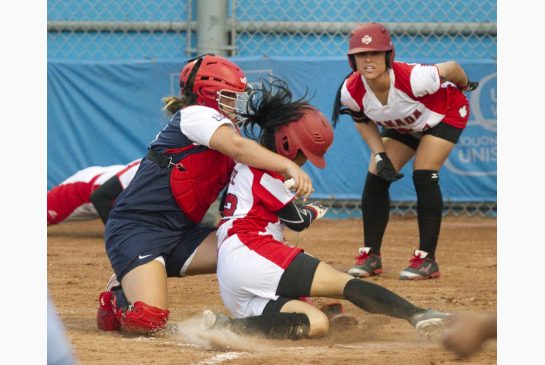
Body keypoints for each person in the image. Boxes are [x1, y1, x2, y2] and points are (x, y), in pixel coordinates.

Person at [202, 79, 449, 340]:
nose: (306, 161)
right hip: (251, 251)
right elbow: (296, 222)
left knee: (315, 323)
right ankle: (418, 314)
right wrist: (313, 210)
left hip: (236, 269)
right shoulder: (266, 173)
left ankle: (227, 327)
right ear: (286, 144)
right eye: (304, 154)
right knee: (343, 283)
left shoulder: (251, 164)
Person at [96, 54, 314, 334]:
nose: (236, 103)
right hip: (137, 230)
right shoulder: (195, 115)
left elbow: (246, 170)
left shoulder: (225, 129)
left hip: (182, 233)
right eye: (230, 96)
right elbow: (237, 147)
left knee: (252, 248)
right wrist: (286, 165)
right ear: (209, 94)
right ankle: (117, 296)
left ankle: (293, 302)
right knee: (148, 320)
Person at [331, 22, 479, 280]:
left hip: (444, 114)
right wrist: (380, 154)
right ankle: (371, 256)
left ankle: (427, 259)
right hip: (405, 124)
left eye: (375, 53)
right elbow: (362, 120)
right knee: (376, 173)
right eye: (360, 54)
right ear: (352, 59)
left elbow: (453, 68)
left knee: (423, 172)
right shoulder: (351, 90)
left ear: (388, 55)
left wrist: (465, 85)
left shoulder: (413, 77)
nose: (368, 59)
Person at [47, 159, 141, 225]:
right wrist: (117, 231)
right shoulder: (146, 167)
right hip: (84, 188)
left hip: (108, 180)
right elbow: (99, 197)